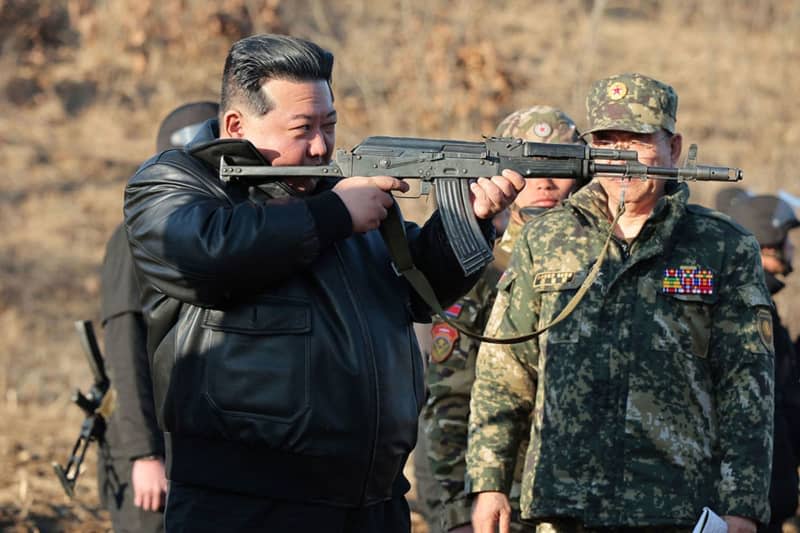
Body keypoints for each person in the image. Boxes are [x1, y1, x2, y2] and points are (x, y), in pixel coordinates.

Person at [122, 34, 524, 533]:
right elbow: (202, 254)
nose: (320, 145)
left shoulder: (339, 190)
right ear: (236, 125)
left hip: (372, 500)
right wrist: (334, 214)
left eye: (329, 124)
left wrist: (473, 218)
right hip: (244, 505)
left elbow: (416, 289)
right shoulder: (177, 182)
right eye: (302, 128)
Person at [466, 73, 775, 533]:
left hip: (677, 509)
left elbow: (746, 388)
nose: (620, 156)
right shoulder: (546, 239)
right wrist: (488, 483)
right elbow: (505, 371)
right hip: (561, 507)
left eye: (637, 140)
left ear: (674, 146)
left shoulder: (722, 246)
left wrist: (743, 508)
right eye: (607, 140)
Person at [421, 106, 586, 533]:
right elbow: (450, 400)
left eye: (561, 165)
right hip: (499, 507)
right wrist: (454, 512)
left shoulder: (603, 262)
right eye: (530, 167)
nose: (546, 182)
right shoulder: (480, 265)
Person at [98, 100, 219, 533]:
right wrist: (144, 454)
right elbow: (125, 350)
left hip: (197, 446)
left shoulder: (221, 231)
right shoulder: (136, 234)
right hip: (150, 448)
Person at [724, 194, 800, 533]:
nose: (791, 249)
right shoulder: (751, 308)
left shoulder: (763, 302)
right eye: (785, 240)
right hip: (753, 506)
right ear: (766, 247)